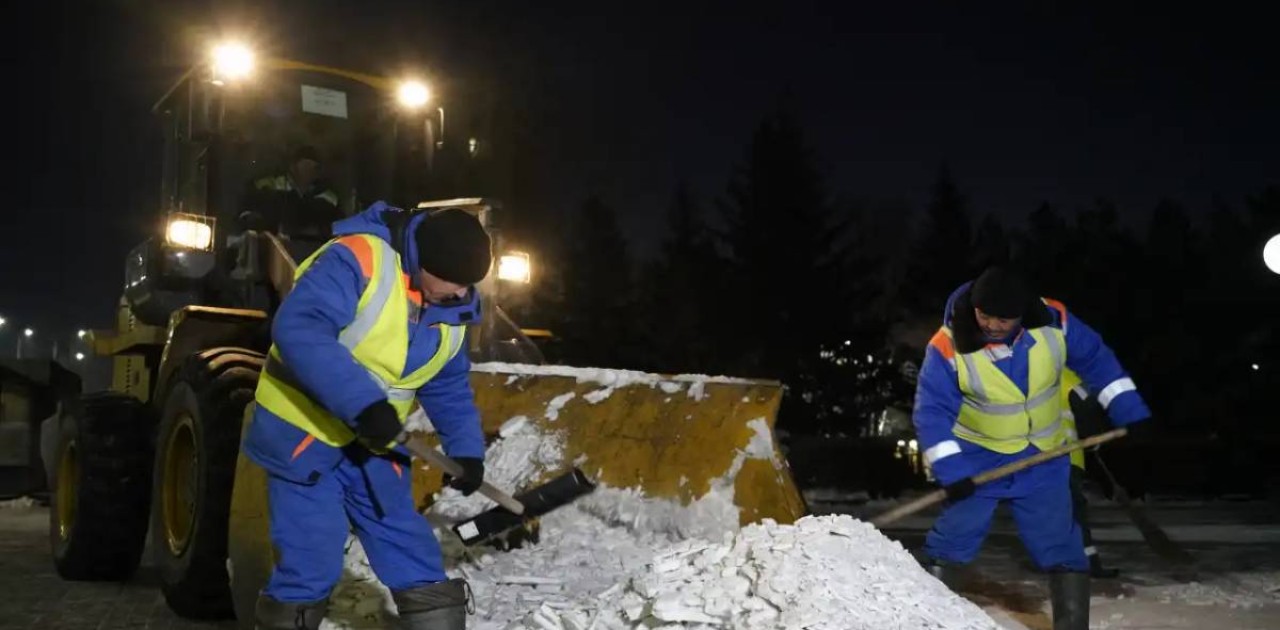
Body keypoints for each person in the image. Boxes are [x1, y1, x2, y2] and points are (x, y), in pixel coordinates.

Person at [242, 201, 494, 630]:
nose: (459, 293)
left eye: (467, 285)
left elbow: (447, 385)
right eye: (451, 281)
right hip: (305, 434)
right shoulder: (357, 260)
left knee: (410, 547)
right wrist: (363, 403)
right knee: (311, 558)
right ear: (421, 261)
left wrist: (467, 452)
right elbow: (299, 328)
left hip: (376, 444)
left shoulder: (453, 307)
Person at [913, 266, 1152, 630]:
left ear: (1023, 313)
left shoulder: (1056, 321)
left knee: (1061, 542)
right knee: (953, 538)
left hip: (1043, 455)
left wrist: (1128, 409)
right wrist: (952, 471)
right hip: (978, 457)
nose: (991, 324)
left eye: (1003, 318)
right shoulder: (946, 346)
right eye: (984, 315)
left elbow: (1097, 361)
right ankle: (923, 619)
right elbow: (931, 411)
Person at [1061, 368, 1121, 579]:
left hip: (1037, 460)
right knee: (1075, 512)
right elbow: (1085, 408)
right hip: (1065, 458)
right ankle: (1086, 564)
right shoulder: (1068, 378)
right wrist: (1091, 439)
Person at [240, 145, 343, 241]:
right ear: (292, 166)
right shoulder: (267, 187)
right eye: (305, 165)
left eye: (314, 167)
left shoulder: (328, 197)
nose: (308, 170)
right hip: (271, 252)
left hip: (314, 253)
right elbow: (246, 216)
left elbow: (338, 228)